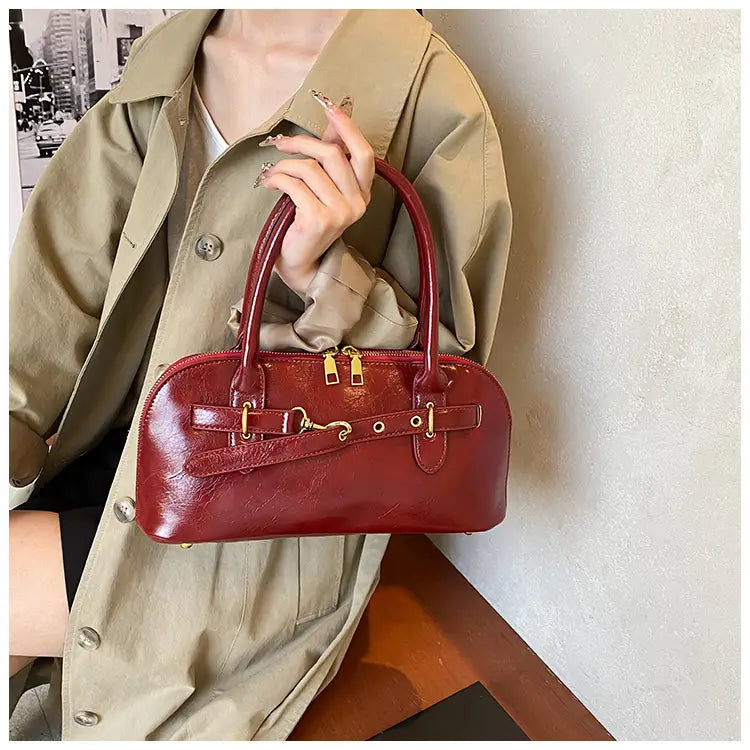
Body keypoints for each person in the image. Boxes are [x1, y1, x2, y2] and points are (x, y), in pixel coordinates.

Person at [9, 9, 512, 740]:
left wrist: (323, 275)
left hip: (265, 523)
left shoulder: (430, 98)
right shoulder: (170, 60)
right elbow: (55, 298)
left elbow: (440, 394)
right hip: (116, 455)